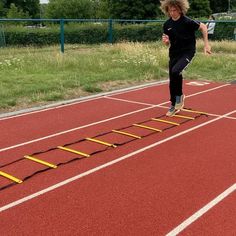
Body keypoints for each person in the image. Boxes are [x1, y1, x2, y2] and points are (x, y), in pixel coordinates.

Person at [160, 0, 211, 117]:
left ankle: (180, 97)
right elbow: (167, 43)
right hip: (174, 53)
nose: (172, 13)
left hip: (187, 52)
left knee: (176, 71)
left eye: (175, 10)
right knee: (172, 78)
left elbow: (203, 27)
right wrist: (166, 42)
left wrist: (206, 44)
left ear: (180, 9)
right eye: (170, 10)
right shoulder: (167, 25)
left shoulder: (187, 21)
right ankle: (174, 104)